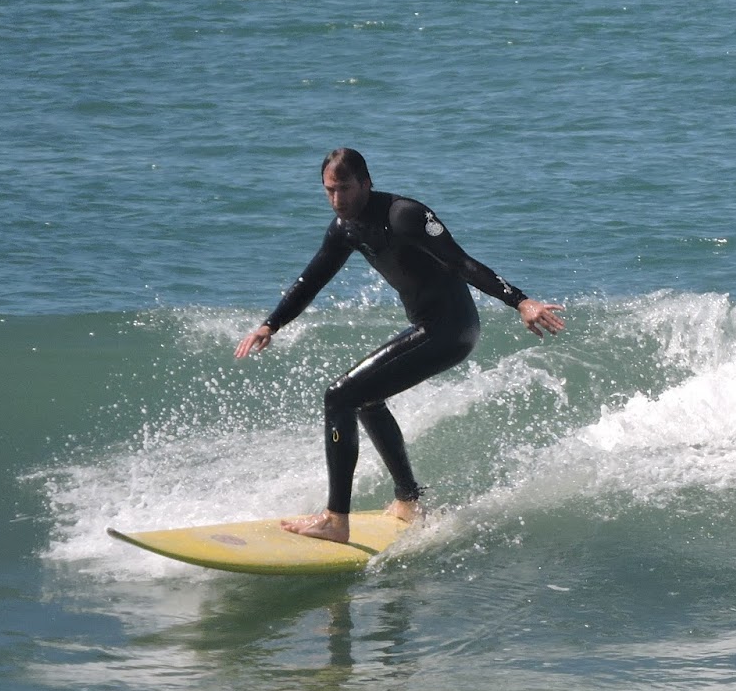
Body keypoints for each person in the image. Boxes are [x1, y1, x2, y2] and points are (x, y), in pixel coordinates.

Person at [236, 148, 565, 542]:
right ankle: (409, 501)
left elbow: (462, 263)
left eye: (344, 188)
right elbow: (314, 278)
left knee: (339, 396)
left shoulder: (404, 215)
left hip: (450, 329)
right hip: (431, 328)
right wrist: (271, 324)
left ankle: (335, 519)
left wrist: (521, 301)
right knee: (364, 399)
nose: (337, 199)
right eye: (329, 191)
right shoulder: (345, 228)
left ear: (366, 183)